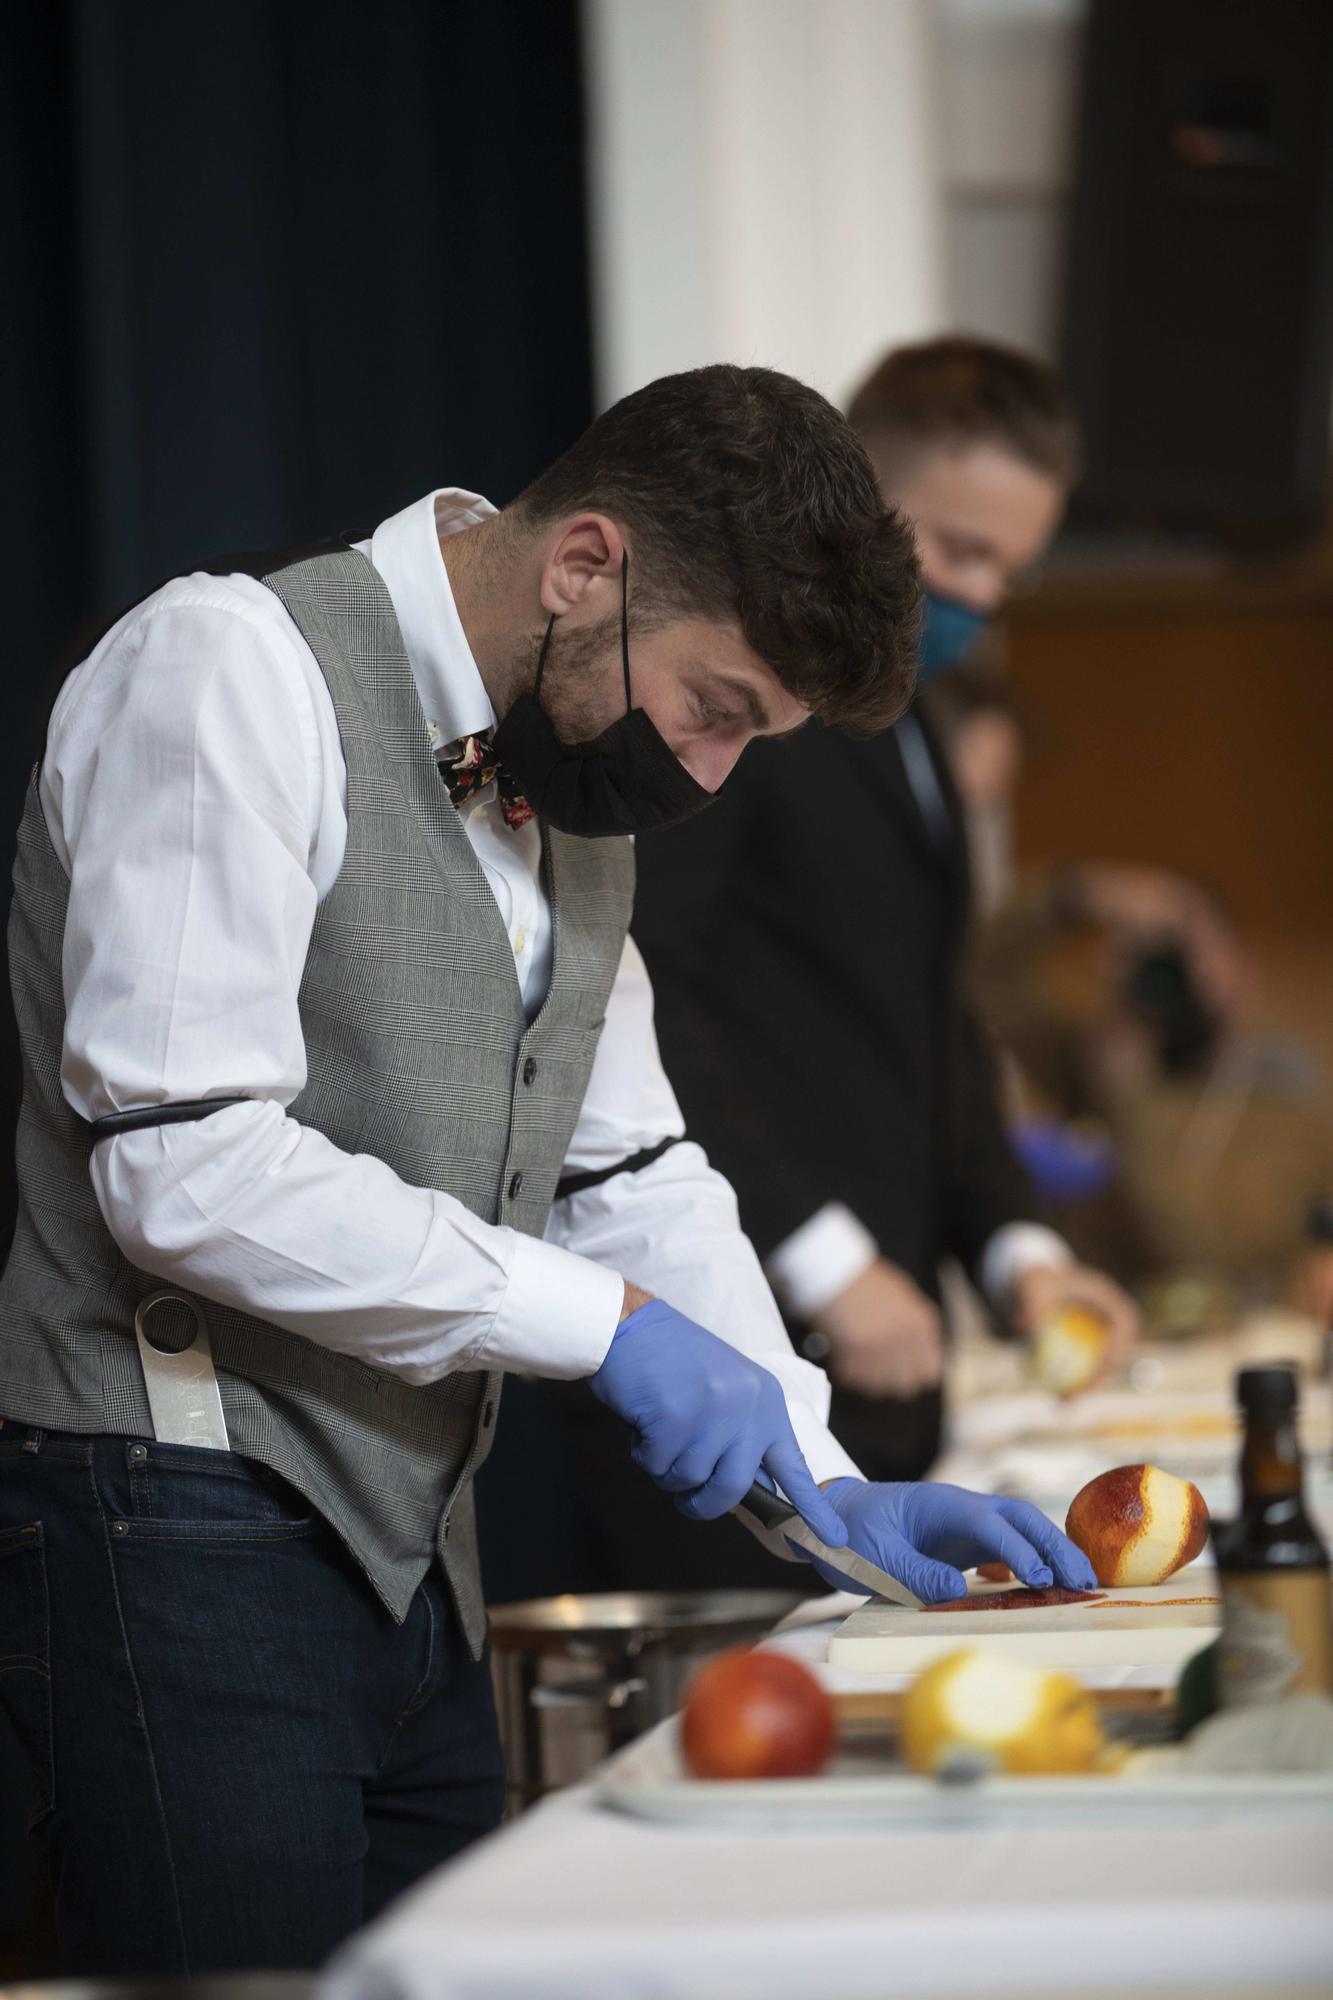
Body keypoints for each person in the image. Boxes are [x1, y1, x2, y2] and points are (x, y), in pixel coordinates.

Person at [0, 364, 1099, 1977]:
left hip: (410, 1550)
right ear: (585, 567)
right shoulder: (231, 663)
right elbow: (180, 1163)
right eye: (717, 708)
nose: (709, 776)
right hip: (158, 1516)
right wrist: (608, 1327)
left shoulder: (568, 781)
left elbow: (634, 1161)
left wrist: (819, 1475)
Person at [530, 339, 1140, 1598]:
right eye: (960, 551)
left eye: (1010, 572)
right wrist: (819, 1253)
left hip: (881, 1361)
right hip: (726, 1353)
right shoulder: (739, 715)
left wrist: (1017, 1249)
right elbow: (649, 984)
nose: (981, 595)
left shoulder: (910, 727)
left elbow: (933, 1017)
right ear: (869, 514)